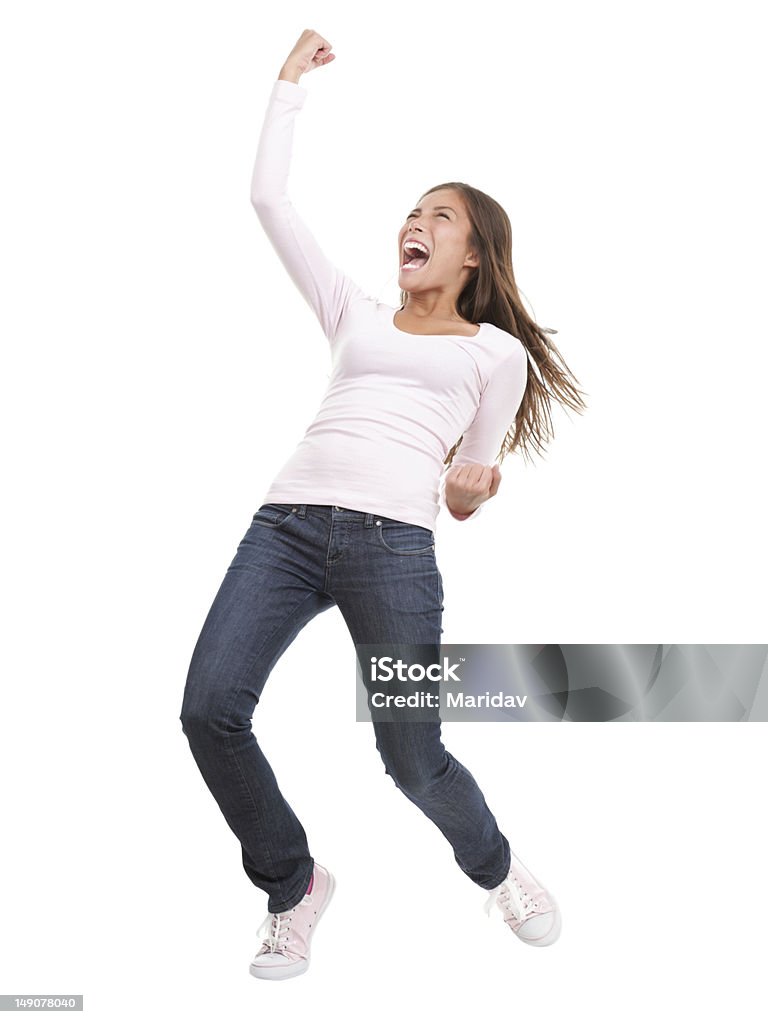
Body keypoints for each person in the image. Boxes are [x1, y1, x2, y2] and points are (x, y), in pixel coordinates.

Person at [180, 28, 587, 981]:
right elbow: (268, 199)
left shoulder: (495, 354)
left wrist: (469, 488)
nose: (414, 224)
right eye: (410, 212)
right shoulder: (352, 311)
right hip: (283, 529)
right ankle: (292, 886)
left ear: (476, 254)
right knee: (209, 709)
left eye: (438, 217)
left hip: (394, 549)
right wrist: (288, 85)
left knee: (412, 759)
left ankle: (497, 870)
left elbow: (465, 486)